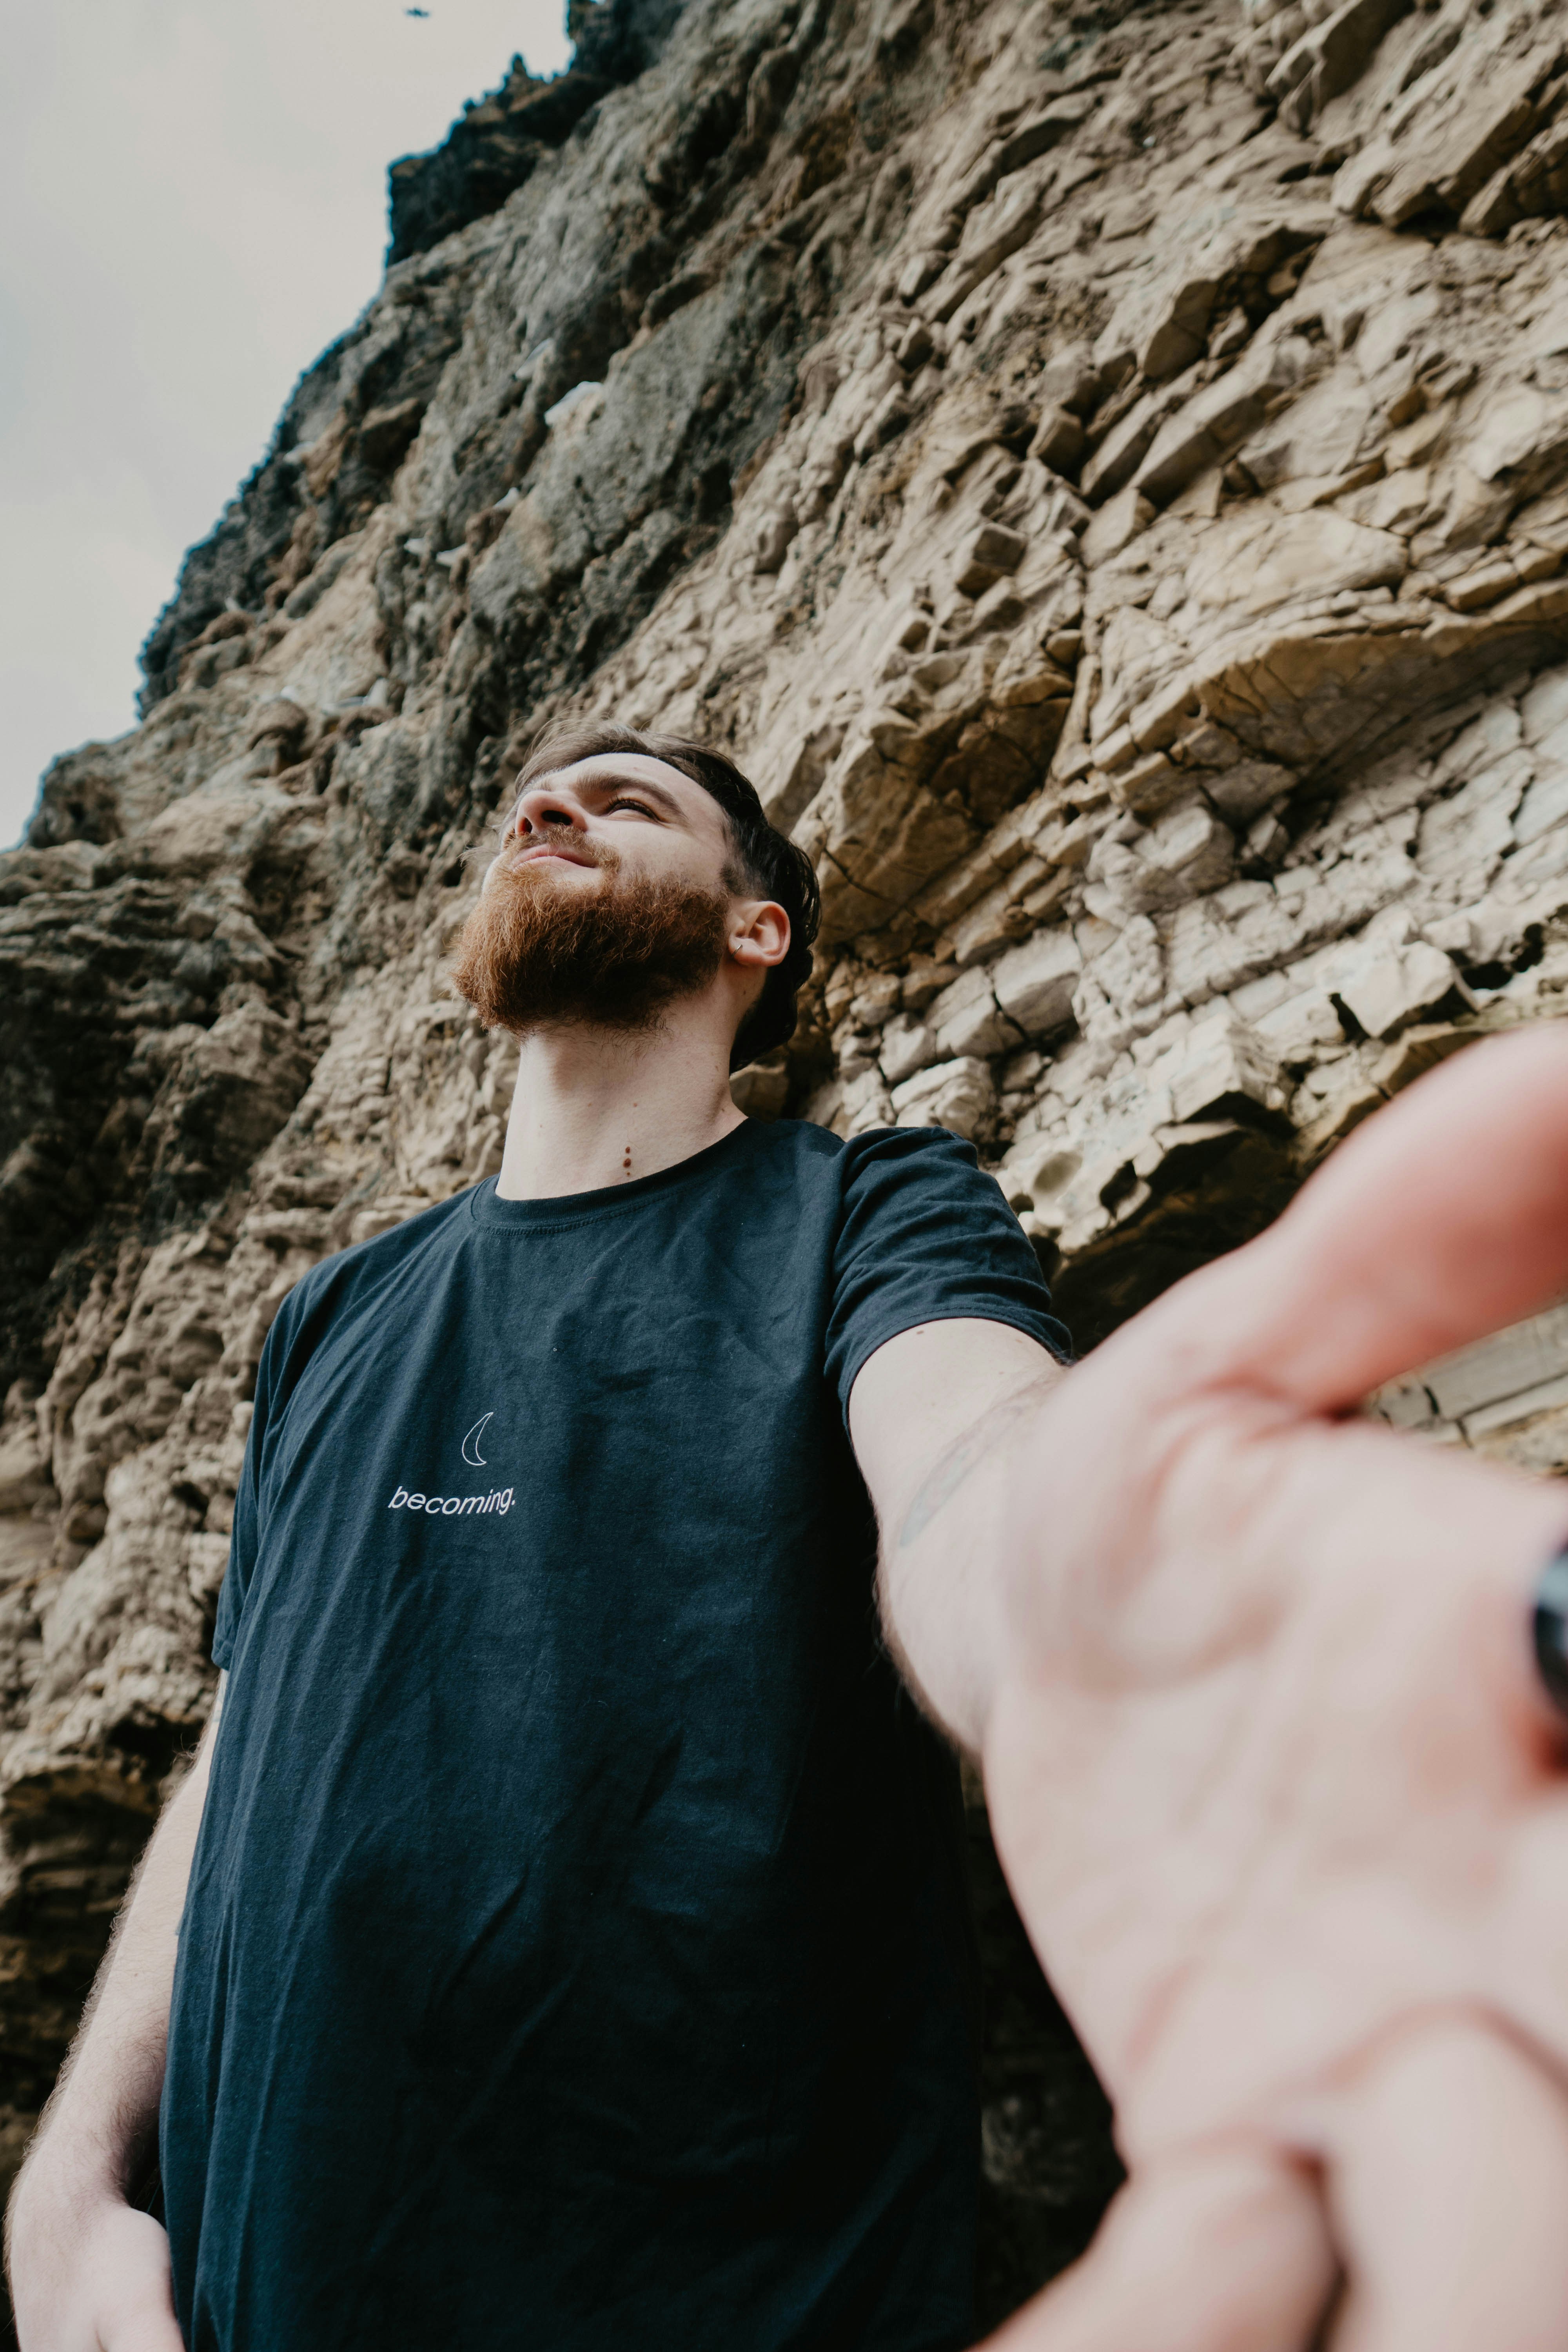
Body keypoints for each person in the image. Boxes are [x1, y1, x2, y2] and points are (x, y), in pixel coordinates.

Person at [8, 719, 1568, 2352]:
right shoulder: (329, 1316)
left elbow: (969, 1456)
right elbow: (243, 1733)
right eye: (537, 794)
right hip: (266, 2277)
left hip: (721, 2285)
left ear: (759, 930)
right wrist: (74, 2173)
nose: (551, 802)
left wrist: (1072, 1578)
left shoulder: (863, 1210)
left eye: (631, 802)